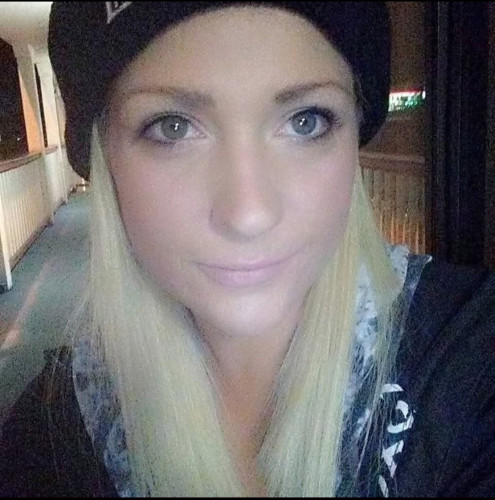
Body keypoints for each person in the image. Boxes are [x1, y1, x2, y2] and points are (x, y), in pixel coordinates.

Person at [0, 1, 494, 497]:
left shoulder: (469, 364)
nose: (248, 214)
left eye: (306, 121)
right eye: (173, 127)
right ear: (105, 157)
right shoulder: (54, 435)